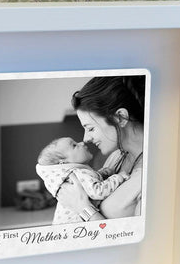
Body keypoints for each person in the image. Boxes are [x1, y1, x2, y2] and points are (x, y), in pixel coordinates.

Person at [56, 75, 146, 223]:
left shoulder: (153, 175)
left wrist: (82, 207)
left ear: (120, 117)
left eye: (90, 128)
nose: (86, 138)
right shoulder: (116, 158)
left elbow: (139, 236)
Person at [36, 137, 128, 224]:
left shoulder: (75, 175)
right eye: (74, 145)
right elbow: (98, 192)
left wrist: (101, 174)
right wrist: (118, 177)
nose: (82, 143)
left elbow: (89, 183)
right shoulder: (80, 173)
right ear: (63, 162)